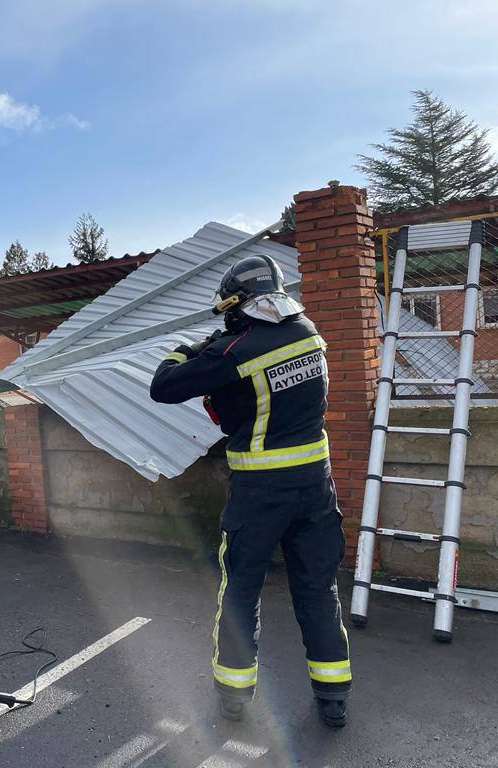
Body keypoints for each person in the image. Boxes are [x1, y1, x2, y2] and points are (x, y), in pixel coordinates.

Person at [149, 254, 351, 729]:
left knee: (240, 590)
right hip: (316, 486)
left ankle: (234, 696)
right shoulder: (308, 334)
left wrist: (186, 349)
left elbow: (164, 387)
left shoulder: (234, 351)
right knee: (318, 589)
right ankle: (334, 695)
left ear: (238, 305)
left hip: (260, 491)